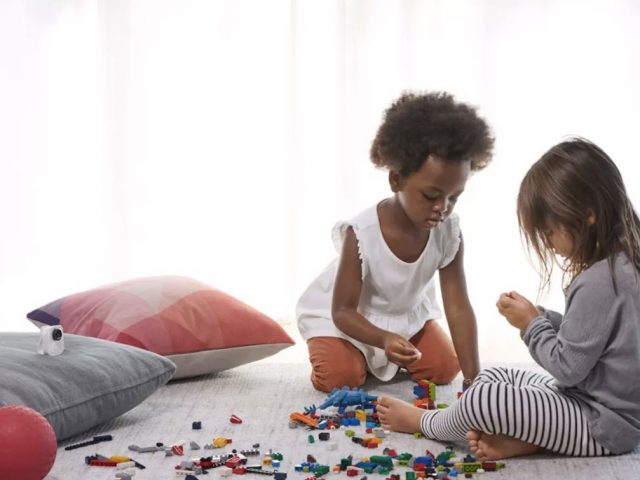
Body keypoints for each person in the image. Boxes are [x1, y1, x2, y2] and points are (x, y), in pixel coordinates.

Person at [377, 138, 640, 459]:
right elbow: (593, 338)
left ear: (588, 216)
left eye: (549, 232)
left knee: (484, 400)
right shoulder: (621, 266)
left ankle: (425, 422)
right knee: (495, 377)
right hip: (593, 405)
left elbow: (568, 368)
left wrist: (531, 325)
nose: (548, 243)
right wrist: (544, 318)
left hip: (602, 425)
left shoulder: (600, 281)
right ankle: (529, 439)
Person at [296, 91, 494, 393]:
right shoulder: (361, 233)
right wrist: (383, 339)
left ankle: (381, 358)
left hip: (403, 319)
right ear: (396, 180)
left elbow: (458, 307)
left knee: (444, 368)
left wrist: (474, 380)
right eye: (431, 195)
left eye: (454, 197)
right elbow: (342, 312)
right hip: (348, 322)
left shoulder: (448, 231)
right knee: (341, 377)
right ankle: (355, 356)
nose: (443, 207)